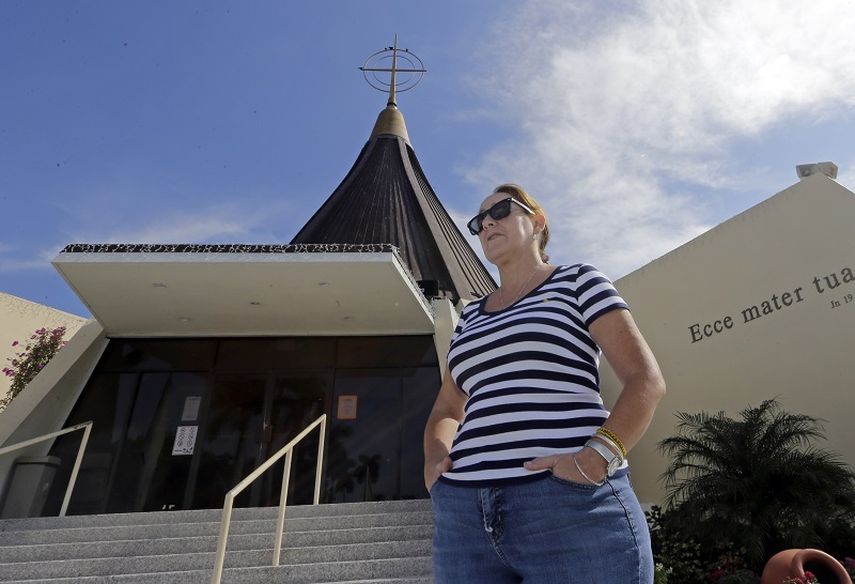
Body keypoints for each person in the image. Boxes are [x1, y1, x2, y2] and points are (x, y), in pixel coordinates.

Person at [424, 183, 666, 583]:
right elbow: (447, 409)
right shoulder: (470, 318)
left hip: (569, 507)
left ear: (537, 222)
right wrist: (434, 465)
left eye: (500, 211)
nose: (486, 223)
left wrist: (596, 459)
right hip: (463, 519)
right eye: (477, 222)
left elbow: (645, 379)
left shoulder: (578, 281)